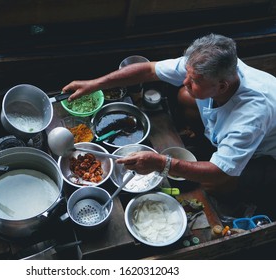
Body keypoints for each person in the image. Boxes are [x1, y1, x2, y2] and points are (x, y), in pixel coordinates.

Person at [62, 34, 276, 217]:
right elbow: (148, 70)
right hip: (230, 131)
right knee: (185, 96)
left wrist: (162, 163)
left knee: (216, 184)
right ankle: (208, 142)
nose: (185, 80)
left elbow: (220, 172)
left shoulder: (250, 117)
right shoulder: (208, 67)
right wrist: (94, 84)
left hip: (263, 155)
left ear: (222, 86)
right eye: (187, 74)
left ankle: (238, 194)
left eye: (194, 81)